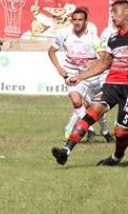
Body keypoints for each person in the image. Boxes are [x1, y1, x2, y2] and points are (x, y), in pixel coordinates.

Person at [52, 0, 128, 166]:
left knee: (121, 132)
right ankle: (66, 151)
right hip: (112, 85)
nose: (112, 16)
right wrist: (80, 77)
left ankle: (116, 157)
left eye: (116, 12)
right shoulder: (113, 38)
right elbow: (104, 63)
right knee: (91, 112)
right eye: (111, 12)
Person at [47, 8, 112, 142]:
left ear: (86, 21)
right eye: (74, 19)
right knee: (77, 101)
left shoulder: (93, 38)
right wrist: (59, 68)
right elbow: (51, 51)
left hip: (92, 76)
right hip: (72, 73)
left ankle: (105, 131)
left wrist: (94, 61)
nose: (77, 22)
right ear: (71, 20)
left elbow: (103, 57)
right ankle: (90, 131)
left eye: (80, 20)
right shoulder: (63, 35)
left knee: (97, 108)